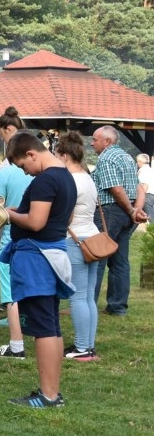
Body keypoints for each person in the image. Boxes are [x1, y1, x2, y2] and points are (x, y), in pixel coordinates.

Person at [1, 131, 75, 408]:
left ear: (31, 154)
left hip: (37, 258)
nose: (26, 172)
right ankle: (52, 391)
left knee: (43, 326)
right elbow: (61, 219)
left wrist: (8, 213)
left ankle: (48, 395)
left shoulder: (45, 180)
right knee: (52, 324)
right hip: (54, 253)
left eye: (23, 166)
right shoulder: (65, 175)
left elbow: (35, 222)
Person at [0, 107, 33, 359]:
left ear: (8, 131)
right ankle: (29, 324)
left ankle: (16, 342)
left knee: (11, 290)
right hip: (36, 236)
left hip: (11, 235)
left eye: (2, 136)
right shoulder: (41, 168)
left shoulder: (6, 171)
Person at [90, 125, 147, 316]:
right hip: (125, 213)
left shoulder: (106, 158)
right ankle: (118, 306)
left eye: (95, 139)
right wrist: (135, 209)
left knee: (97, 258)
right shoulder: (127, 157)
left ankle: (88, 305)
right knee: (120, 261)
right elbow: (140, 187)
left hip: (109, 212)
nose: (91, 143)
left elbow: (115, 189)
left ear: (107, 141)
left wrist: (132, 210)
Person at [55, 132, 101, 361]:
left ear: (63, 155)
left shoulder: (70, 180)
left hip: (75, 241)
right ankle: (88, 345)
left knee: (77, 297)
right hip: (92, 239)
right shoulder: (86, 176)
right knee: (89, 296)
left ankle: (83, 348)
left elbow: (67, 215)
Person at [137, 154, 154, 221]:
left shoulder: (143, 171)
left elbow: (145, 185)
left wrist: (140, 198)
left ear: (140, 161)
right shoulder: (150, 170)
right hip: (152, 194)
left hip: (147, 195)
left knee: (150, 216)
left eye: (137, 161)